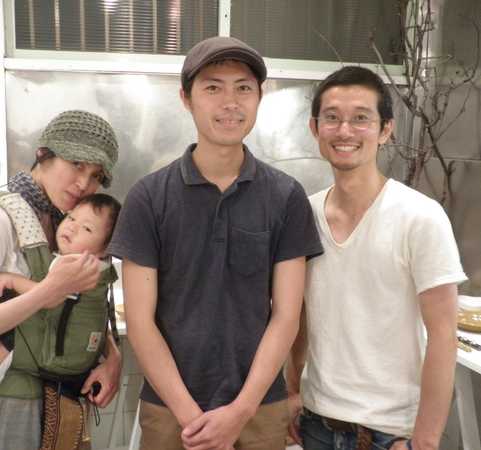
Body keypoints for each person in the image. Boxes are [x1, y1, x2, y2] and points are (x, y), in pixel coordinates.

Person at [108, 36, 323, 450]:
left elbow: (286, 316)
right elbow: (140, 321)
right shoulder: (148, 197)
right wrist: (192, 417)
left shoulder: (285, 195)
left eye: (243, 88)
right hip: (170, 410)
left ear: (259, 97)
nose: (230, 102)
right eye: (213, 87)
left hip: (259, 408)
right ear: (186, 99)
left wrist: (240, 411)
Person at [286, 66, 468, 450]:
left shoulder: (419, 216)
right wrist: (292, 389)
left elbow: (443, 335)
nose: (345, 131)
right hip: (317, 421)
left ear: (385, 130)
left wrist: (424, 442)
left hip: (389, 432)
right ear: (315, 128)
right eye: (332, 117)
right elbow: (299, 313)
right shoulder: (304, 213)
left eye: (361, 118)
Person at [0, 110, 123, 449]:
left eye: (96, 175)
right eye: (76, 164)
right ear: (43, 153)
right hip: (9, 401)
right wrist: (49, 291)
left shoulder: (64, 221)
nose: (84, 184)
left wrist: (113, 357)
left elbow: (82, 307)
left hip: (65, 397)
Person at [0, 193, 122, 389]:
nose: (72, 227)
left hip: (64, 350)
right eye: (71, 218)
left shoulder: (77, 264)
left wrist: (14, 280)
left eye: (87, 228)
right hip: (79, 350)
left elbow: (51, 297)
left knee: (17, 335)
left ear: (104, 249)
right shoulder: (100, 264)